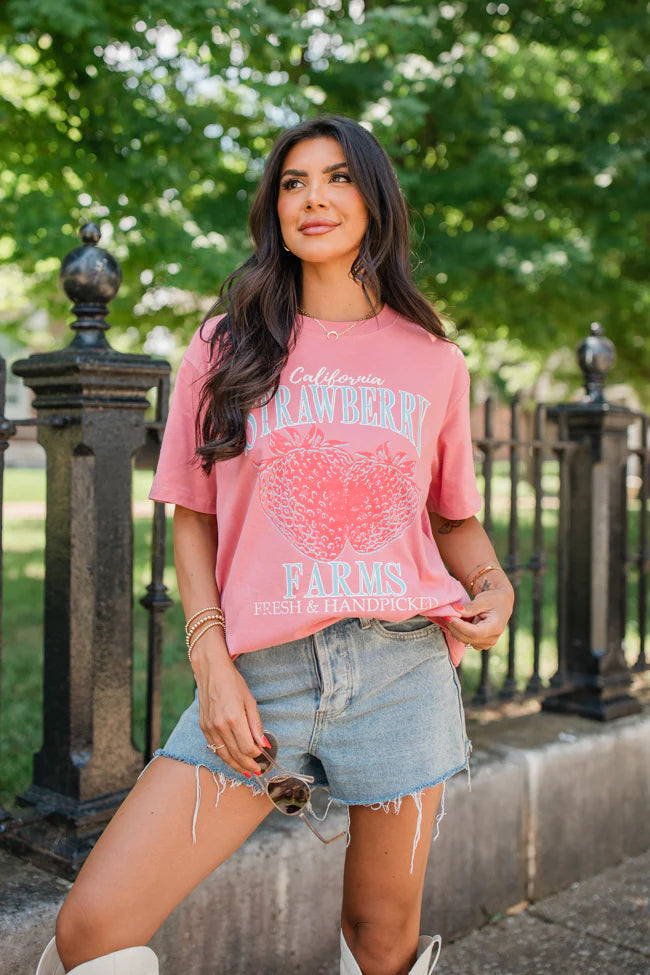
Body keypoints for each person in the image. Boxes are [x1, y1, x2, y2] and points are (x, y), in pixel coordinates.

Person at [37, 115, 514, 975]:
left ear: (375, 201)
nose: (313, 197)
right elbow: (193, 510)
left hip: (403, 669)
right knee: (94, 927)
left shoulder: (434, 361)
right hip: (261, 677)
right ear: (274, 207)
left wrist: (493, 582)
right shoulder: (225, 346)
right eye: (293, 182)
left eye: (336, 178)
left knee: (382, 943)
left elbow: (452, 516)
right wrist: (211, 659)